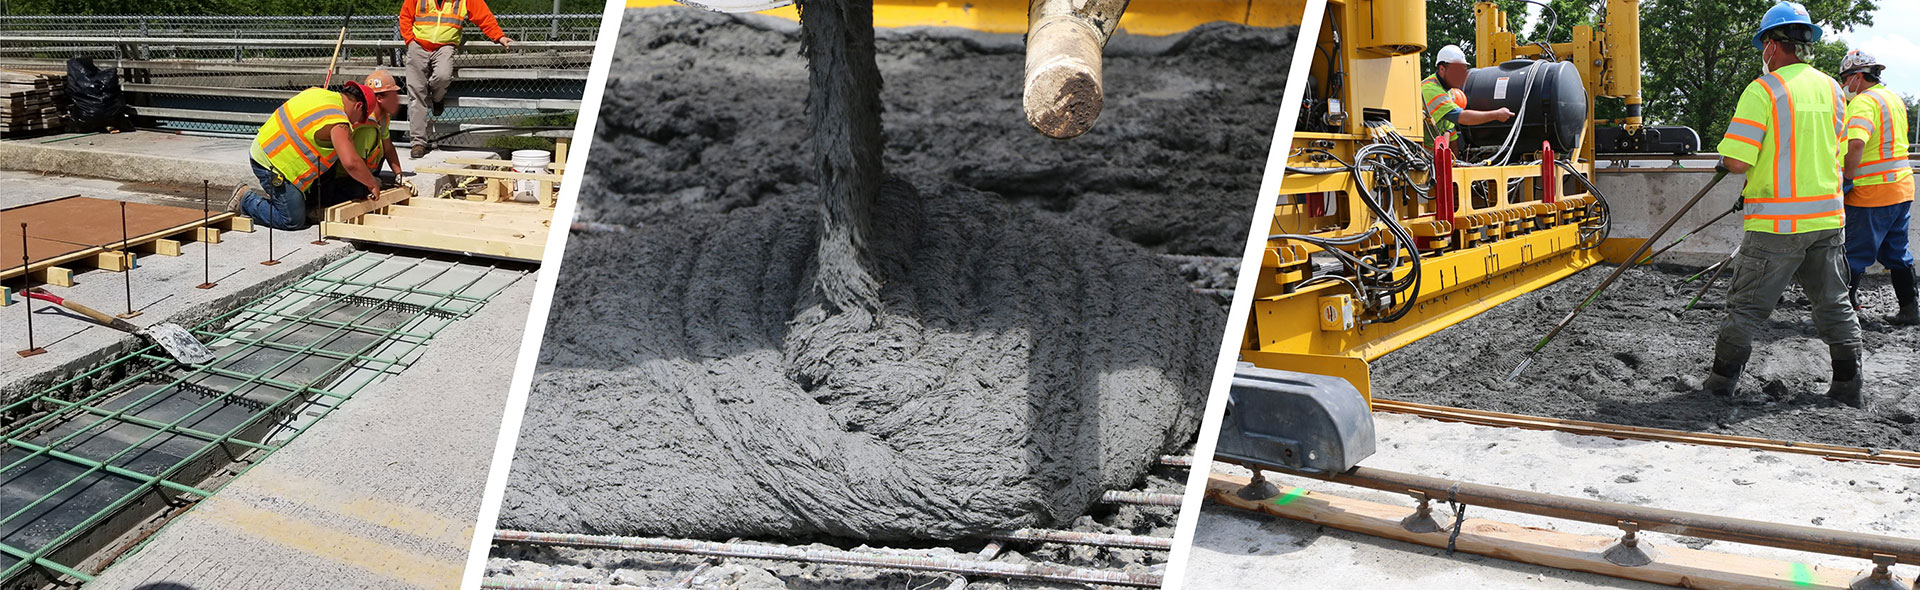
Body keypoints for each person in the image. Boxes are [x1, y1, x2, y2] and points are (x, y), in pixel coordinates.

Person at [1708, 1, 1865, 407]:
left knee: (1745, 307)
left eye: (1764, 44)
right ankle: (1848, 385)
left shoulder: (1764, 90)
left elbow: (1739, 160)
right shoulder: (1834, 89)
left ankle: (1720, 384)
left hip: (1777, 226)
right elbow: (1840, 151)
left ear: (1772, 46)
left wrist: (1724, 160)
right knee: (1833, 303)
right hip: (1828, 220)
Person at [229, 83, 383, 231]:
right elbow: (351, 162)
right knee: (292, 220)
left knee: (332, 161)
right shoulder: (339, 121)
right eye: (361, 119)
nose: (356, 123)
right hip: (271, 162)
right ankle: (245, 199)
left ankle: (309, 205)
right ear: (359, 106)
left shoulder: (319, 93)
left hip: (269, 147)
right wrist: (372, 183)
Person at [1836, 50, 1918, 326]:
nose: (1845, 85)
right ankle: (1910, 309)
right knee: (1897, 252)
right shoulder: (1893, 99)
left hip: (1872, 192)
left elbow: (1856, 143)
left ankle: (1842, 315)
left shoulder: (1863, 102)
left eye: (1845, 79)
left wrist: (1847, 178)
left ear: (1858, 77)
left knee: (1855, 253)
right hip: (1901, 188)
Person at [401, 0, 515, 159]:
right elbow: (405, 15)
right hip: (418, 46)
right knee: (415, 95)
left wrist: (499, 36)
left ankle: (437, 98)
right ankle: (418, 142)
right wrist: (410, 40)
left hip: (445, 46)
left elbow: (483, 17)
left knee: (443, 76)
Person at [1421, 44, 1513, 155]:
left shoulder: (1449, 92)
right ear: (1442, 69)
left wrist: (1454, 162)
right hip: (1419, 154)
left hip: (1430, 156)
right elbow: (1462, 117)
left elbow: (1450, 131)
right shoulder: (1430, 90)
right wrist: (1496, 115)